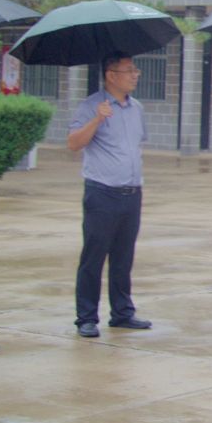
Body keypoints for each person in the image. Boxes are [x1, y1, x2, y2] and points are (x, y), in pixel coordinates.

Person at [67, 51, 154, 338]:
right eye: (129, 70)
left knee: (123, 256)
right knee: (94, 257)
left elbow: (136, 145)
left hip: (132, 193)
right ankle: (86, 317)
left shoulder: (136, 108)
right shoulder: (91, 106)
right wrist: (97, 119)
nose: (135, 75)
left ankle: (122, 312)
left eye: (135, 70)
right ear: (111, 75)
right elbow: (74, 143)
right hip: (102, 193)